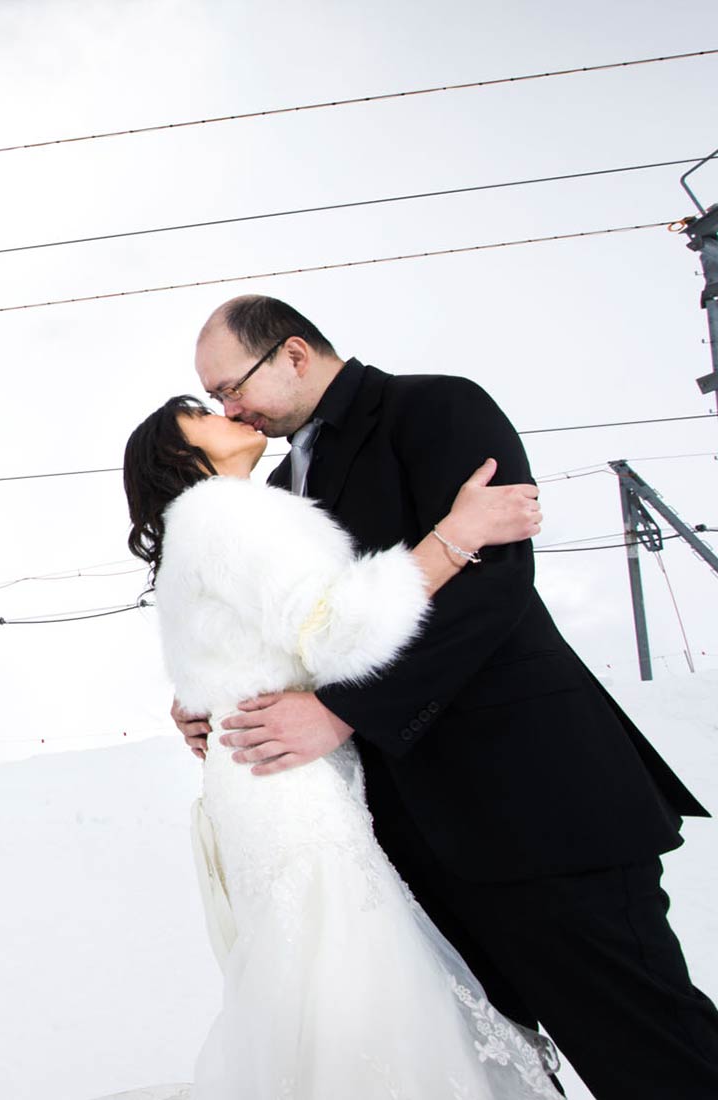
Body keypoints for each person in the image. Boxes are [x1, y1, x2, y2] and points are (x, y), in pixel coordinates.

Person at [176, 294, 718, 1098]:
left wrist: (342, 713)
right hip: (409, 839)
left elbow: (489, 591)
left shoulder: (433, 408)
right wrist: (217, 697)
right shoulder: (280, 487)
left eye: (231, 386)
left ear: (293, 353)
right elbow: (310, 632)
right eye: (218, 399)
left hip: (536, 807)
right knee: (494, 1062)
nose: (230, 407)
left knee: (646, 1045)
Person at [126, 393, 556, 1097]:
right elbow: (333, 633)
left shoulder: (194, 531)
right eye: (200, 411)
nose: (225, 409)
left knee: (321, 972)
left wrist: (199, 702)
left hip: (256, 771)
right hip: (284, 773)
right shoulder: (224, 511)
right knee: (351, 970)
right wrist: (454, 536)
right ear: (182, 453)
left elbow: (224, 652)